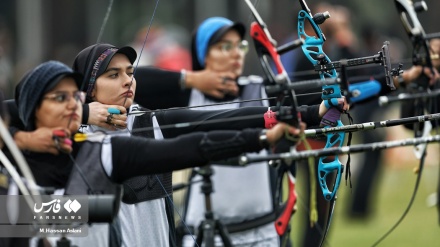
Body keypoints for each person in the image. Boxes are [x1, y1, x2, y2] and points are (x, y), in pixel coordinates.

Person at [6, 60, 305, 247]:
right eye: (60, 98)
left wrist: (264, 134)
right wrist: (23, 141)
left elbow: (189, 148)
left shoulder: (104, 150)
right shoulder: (13, 160)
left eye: (75, 97)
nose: (72, 104)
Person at [71, 43, 331, 247]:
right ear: (89, 89)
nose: (127, 81)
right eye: (113, 75)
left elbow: (220, 120)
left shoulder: (148, 123)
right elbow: (36, 218)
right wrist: (82, 114)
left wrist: (307, 113)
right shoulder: (68, 141)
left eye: (130, 73)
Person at [179, 17, 296, 247]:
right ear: (204, 54)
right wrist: (192, 79)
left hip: (262, 231)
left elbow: (321, 95)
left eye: (240, 46)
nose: (236, 54)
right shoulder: (186, 97)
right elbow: (138, 82)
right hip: (205, 232)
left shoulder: (262, 89)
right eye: (225, 46)